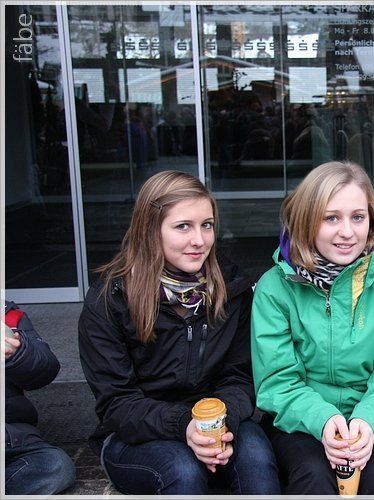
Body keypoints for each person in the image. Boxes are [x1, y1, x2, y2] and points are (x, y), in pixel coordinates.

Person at [78, 170, 279, 495]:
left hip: (216, 421)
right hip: (136, 435)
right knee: (183, 470)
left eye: (207, 225)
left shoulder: (233, 290)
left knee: (256, 457)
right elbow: (116, 403)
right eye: (183, 226)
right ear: (150, 230)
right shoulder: (110, 300)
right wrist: (185, 424)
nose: (199, 240)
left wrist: (219, 424)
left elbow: (240, 378)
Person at [251, 160, 374, 494]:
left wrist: (367, 420)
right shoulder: (275, 287)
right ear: (307, 219)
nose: (347, 232)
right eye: (331, 218)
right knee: (313, 474)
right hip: (301, 419)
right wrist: (323, 420)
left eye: (357, 217)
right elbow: (277, 380)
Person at [4, 301, 76, 495]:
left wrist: (17, 353)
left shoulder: (8, 316)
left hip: (9, 437)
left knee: (56, 467)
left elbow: (46, 369)